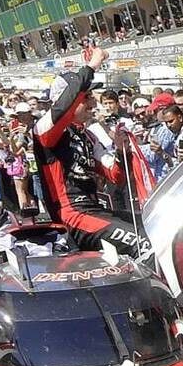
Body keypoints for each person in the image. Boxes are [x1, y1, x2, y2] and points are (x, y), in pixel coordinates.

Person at [35, 48, 147, 257]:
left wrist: (121, 151)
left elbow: (116, 176)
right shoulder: (45, 130)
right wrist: (92, 66)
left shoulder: (88, 137)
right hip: (72, 215)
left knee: (151, 226)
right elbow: (63, 107)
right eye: (86, 97)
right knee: (143, 243)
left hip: (95, 210)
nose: (93, 103)